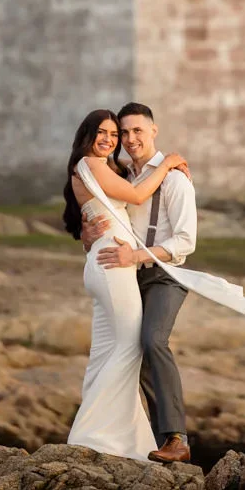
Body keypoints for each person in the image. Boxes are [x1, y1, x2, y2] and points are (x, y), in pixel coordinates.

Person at [63, 108, 189, 461]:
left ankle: (131, 443)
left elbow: (113, 211)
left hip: (114, 264)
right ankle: (94, 434)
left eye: (114, 134)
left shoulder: (106, 170)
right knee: (131, 347)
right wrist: (167, 164)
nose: (111, 139)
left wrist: (87, 234)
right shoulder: (92, 164)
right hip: (113, 266)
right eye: (103, 132)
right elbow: (134, 198)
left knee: (106, 351)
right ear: (86, 135)